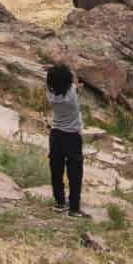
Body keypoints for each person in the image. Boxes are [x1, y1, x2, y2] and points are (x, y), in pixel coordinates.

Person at [46, 62, 88, 218]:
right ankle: (74, 208)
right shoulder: (71, 95)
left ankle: (59, 202)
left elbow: (57, 81)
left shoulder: (50, 94)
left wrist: (52, 71)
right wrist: (66, 70)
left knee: (56, 170)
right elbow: (74, 80)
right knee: (75, 173)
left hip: (56, 134)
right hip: (72, 136)